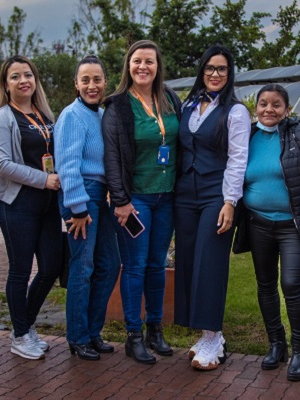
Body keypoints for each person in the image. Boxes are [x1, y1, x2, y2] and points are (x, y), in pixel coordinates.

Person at [102, 40, 182, 365]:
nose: (143, 67)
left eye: (149, 61)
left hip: (167, 198)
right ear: (128, 66)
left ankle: (155, 330)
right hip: (135, 201)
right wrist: (120, 200)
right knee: (134, 266)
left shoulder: (170, 98)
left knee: (157, 265)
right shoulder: (118, 105)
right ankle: (133, 336)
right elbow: (111, 157)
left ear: (158, 66)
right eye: (137, 61)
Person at [243, 84, 300, 381]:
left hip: (293, 225)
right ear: (256, 108)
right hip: (258, 223)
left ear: (287, 109)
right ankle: (276, 343)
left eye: (276, 104)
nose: (269, 109)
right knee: (265, 285)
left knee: (291, 284)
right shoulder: (247, 136)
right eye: (263, 104)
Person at [175, 44, 251, 371]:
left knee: (210, 261)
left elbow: (237, 160)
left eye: (221, 69)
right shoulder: (189, 105)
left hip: (215, 194)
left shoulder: (236, 112)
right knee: (189, 259)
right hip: (185, 194)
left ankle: (214, 336)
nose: (215, 74)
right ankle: (202, 332)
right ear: (202, 71)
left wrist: (230, 202)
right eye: (209, 68)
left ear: (229, 73)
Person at [0, 55, 63, 360]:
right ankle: (20, 335)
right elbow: (3, 165)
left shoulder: (45, 115)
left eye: (28, 75)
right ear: (6, 84)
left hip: (48, 203)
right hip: (18, 202)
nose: (24, 81)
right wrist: (44, 180)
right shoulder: (1, 118)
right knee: (20, 270)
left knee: (51, 268)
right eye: (16, 76)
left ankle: (25, 323)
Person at [56, 55, 121, 361]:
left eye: (97, 79)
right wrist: (78, 208)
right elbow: (67, 165)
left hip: (104, 195)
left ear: (105, 81)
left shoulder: (103, 114)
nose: (92, 85)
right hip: (81, 195)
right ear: (76, 84)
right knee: (83, 268)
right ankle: (78, 337)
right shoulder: (72, 116)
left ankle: (94, 331)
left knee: (109, 263)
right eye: (86, 80)